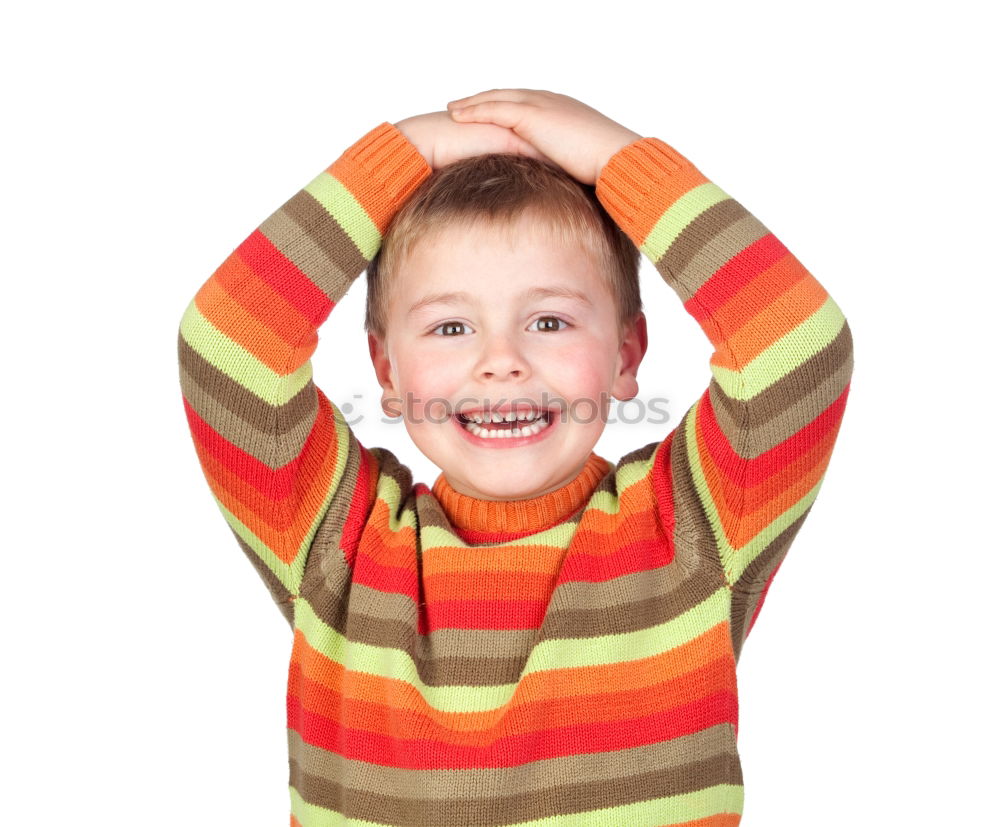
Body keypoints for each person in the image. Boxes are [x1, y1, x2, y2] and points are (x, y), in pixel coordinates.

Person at [177, 88, 854, 826]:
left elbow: (794, 345)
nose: (501, 360)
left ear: (627, 354)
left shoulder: (689, 529)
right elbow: (230, 347)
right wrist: (403, 153)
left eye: (549, 320)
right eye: (450, 327)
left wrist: (619, 160)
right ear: (386, 373)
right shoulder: (337, 543)